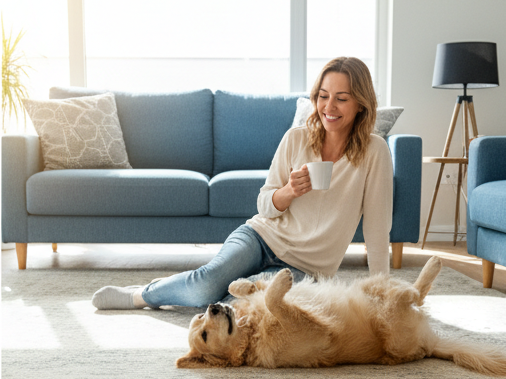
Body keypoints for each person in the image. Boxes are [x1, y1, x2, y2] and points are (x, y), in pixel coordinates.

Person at [91, 57, 393, 312]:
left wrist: (383, 294)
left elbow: (377, 230)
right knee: (205, 286)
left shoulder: (374, 152)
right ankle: (141, 295)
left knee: (239, 306)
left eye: (342, 98)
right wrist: (288, 192)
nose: (330, 106)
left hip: (308, 268)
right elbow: (264, 204)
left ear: (360, 105)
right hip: (262, 237)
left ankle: (198, 298)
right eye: (323, 95)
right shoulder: (296, 138)